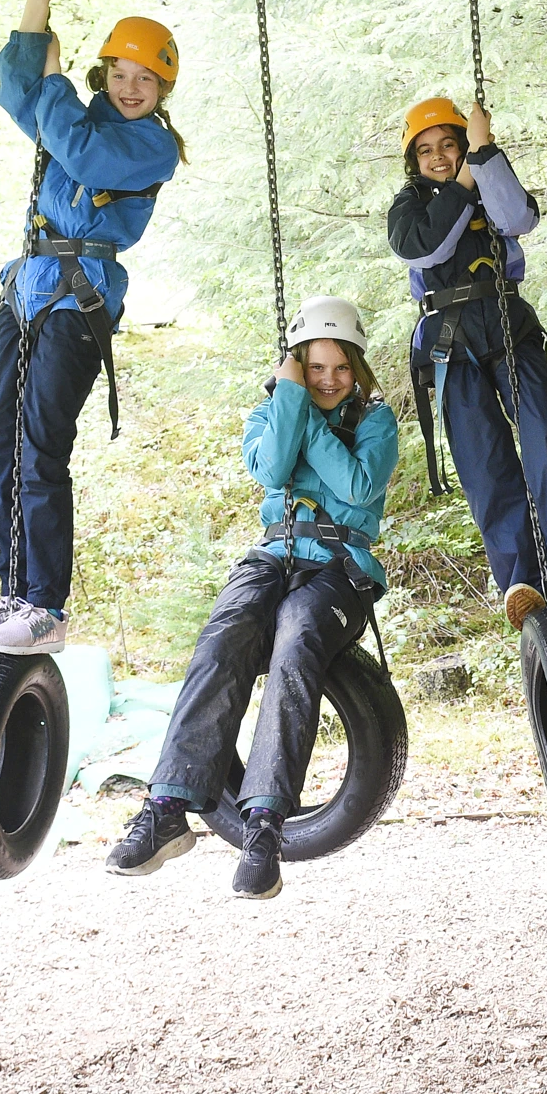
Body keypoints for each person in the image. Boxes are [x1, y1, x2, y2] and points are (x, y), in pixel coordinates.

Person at [105, 297, 398, 899]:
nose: (328, 380)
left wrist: (303, 415)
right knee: (223, 637)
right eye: (314, 368)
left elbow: (359, 485)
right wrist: (286, 403)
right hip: (273, 555)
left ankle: (263, 826)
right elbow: (269, 471)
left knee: (297, 641)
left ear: (357, 369)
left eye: (341, 368)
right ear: (295, 366)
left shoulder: (375, 420)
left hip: (339, 566)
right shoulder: (269, 414)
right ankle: (166, 808)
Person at [0, 0, 184, 656]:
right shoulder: (65, 113)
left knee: (40, 450)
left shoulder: (151, 147)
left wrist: (53, 80)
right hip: (25, 291)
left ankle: (45, 604)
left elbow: (84, 157)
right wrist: (36, 3)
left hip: (78, 305)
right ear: (104, 74)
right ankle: (15, 591)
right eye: (122, 73)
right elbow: (17, 89)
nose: (132, 87)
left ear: (162, 89)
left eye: (147, 79)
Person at [387, 96, 547, 630]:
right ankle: (520, 579)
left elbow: (518, 217)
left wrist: (484, 155)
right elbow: (423, 250)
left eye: (449, 145)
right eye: (427, 150)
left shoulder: (489, 174)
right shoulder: (408, 205)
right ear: (414, 161)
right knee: (486, 464)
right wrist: (464, 183)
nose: (439, 156)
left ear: (464, 144)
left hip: (509, 321)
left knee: (546, 437)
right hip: (449, 335)